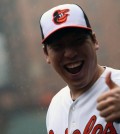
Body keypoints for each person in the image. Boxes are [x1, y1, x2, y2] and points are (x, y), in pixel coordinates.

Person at [39, 3, 120, 134]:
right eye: (58, 46)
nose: (70, 53)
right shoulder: (55, 105)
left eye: (77, 41)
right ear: (47, 54)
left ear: (94, 40)